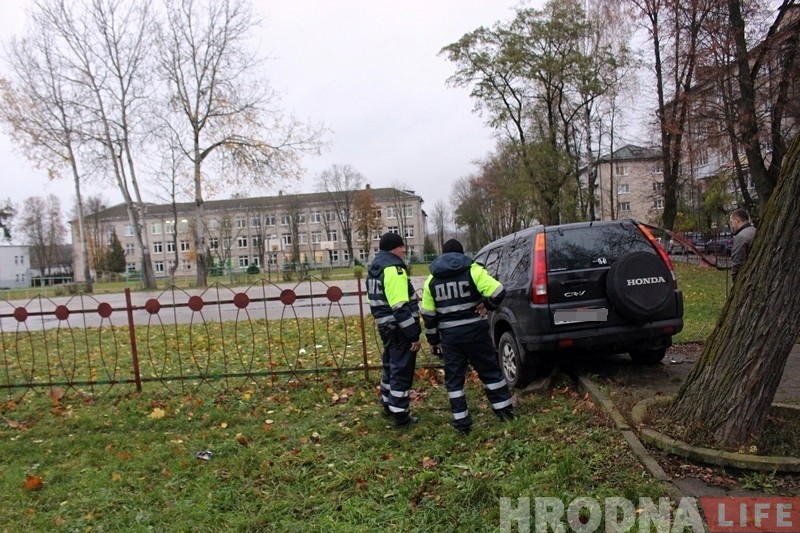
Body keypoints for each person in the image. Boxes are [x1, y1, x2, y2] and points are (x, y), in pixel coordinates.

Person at [421, 239, 514, 435]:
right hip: (475, 332)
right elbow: (498, 291)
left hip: (450, 337)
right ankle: (504, 412)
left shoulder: (431, 280)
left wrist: (433, 341)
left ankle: (462, 423)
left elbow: (428, 316)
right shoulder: (473, 270)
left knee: (454, 381)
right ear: (461, 254)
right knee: (489, 371)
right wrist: (487, 306)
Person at [367, 232, 422, 428]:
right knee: (401, 368)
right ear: (393, 249)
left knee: (390, 364)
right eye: (401, 247)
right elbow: (400, 307)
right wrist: (413, 334)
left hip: (384, 324)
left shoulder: (375, 267)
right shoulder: (394, 269)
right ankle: (401, 413)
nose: (404, 250)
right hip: (399, 327)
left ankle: (387, 401)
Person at [729, 208, 757, 282]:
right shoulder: (755, 230)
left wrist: (735, 279)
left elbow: (737, 262)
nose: (732, 226)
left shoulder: (741, 237)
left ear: (737, 220)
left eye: (732, 222)